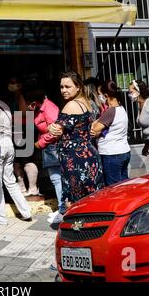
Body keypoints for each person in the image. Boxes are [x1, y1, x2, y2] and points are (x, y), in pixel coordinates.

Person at [48, 71, 104, 210]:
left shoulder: (71, 105)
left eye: (68, 86)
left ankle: (77, 229)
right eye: (62, 87)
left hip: (75, 158)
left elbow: (57, 129)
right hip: (89, 155)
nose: (64, 90)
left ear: (78, 87)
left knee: (74, 202)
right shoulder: (87, 103)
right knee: (91, 198)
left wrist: (50, 127)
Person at [21, 89, 64, 224]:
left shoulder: (49, 108)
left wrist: (40, 143)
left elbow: (56, 131)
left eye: (28, 103)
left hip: (53, 147)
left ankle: (63, 210)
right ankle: (62, 209)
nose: (27, 106)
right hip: (49, 147)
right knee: (56, 178)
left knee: (57, 179)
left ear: (34, 101)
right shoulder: (40, 109)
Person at [0, 99, 32, 226]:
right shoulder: (5, 105)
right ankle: (26, 212)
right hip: (9, 144)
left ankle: (1, 218)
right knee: (10, 181)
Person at [91, 80, 131, 186]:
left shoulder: (110, 112)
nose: (99, 98)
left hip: (112, 154)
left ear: (106, 95)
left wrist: (95, 124)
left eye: (100, 95)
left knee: (114, 188)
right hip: (123, 151)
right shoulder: (121, 109)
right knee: (123, 185)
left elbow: (94, 129)